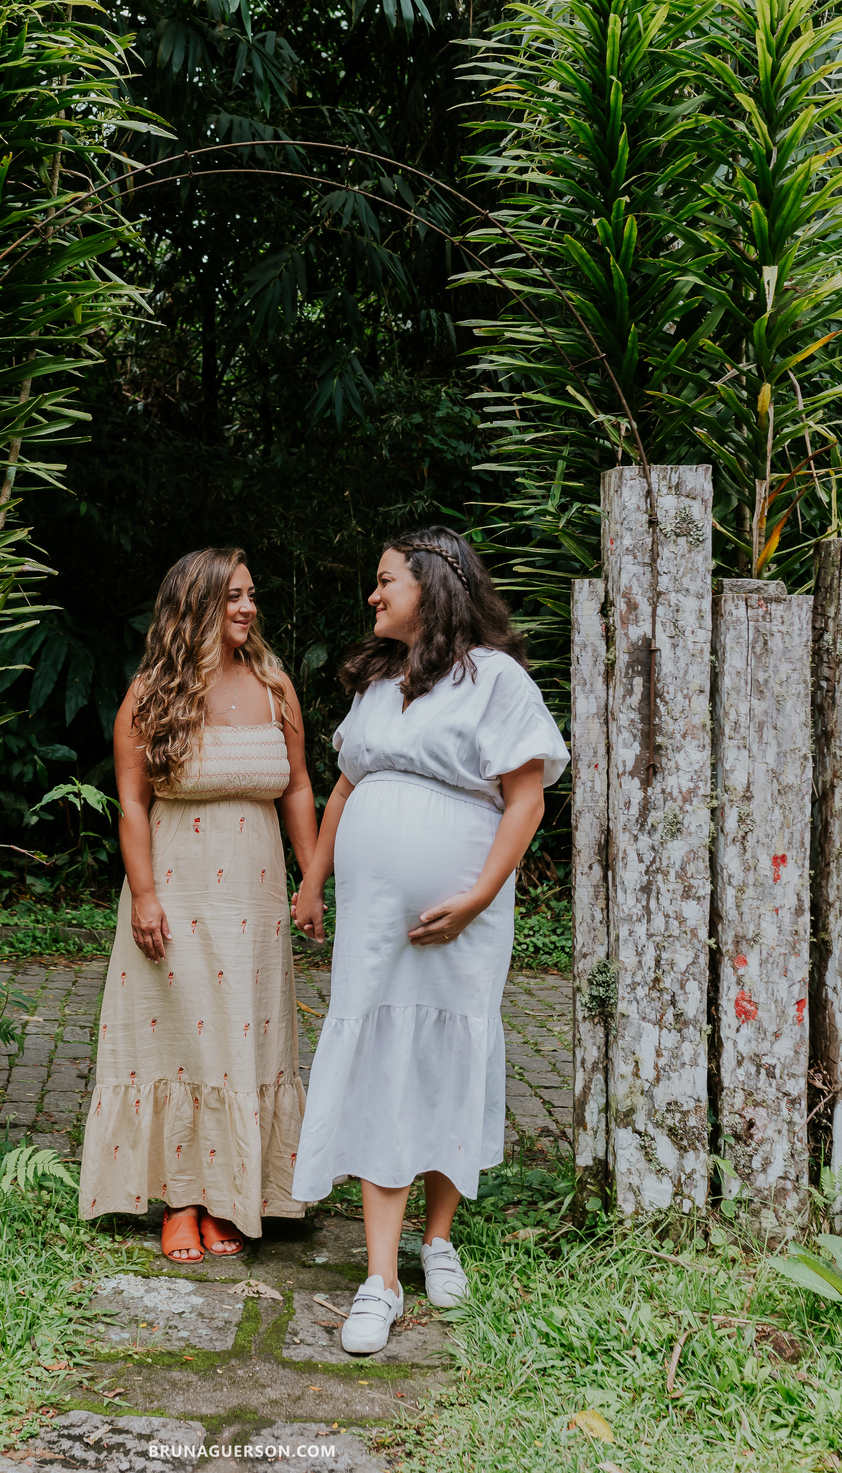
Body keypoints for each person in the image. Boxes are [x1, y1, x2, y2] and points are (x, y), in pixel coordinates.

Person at [290, 527, 568, 1352]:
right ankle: (378, 1280)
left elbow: (526, 801)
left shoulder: (498, 683)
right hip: (374, 920)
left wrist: (479, 895)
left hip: (463, 916)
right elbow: (343, 789)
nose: (372, 596)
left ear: (434, 587)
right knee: (382, 1058)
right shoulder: (380, 685)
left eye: (385, 582)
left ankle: (437, 1240)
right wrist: (311, 881)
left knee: (449, 1056)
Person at [79, 547, 318, 1261]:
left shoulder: (275, 684)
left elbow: (299, 786)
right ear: (194, 606)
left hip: (256, 900)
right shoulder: (152, 693)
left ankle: (232, 1194)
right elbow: (130, 800)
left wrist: (312, 880)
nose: (246, 607)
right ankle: (183, 1199)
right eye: (231, 596)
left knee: (243, 1038)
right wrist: (144, 896)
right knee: (182, 1037)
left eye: (250, 595)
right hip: (177, 896)